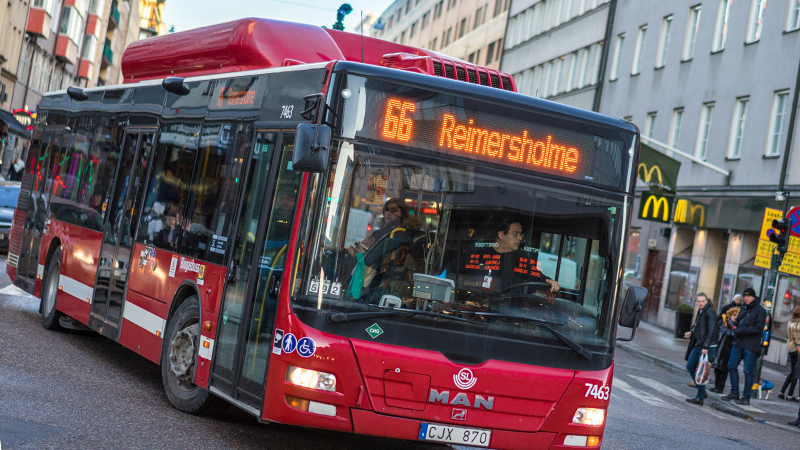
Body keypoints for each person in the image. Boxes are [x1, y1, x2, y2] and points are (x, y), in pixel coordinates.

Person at [447, 218, 559, 297]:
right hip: (475, 310)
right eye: (515, 233)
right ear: (501, 235)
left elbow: (537, 277)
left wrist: (551, 283)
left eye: (521, 234)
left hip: (509, 314)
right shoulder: (475, 253)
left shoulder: (520, 259)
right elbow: (449, 272)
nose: (520, 238)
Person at [721, 287, 767, 405]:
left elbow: (758, 328)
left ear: (753, 297)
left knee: (747, 371)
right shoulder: (744, 308)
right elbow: (738, 322)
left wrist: (742, 330)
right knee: (731, 365)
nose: (745, 298)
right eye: (744, 296)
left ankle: (746, 397)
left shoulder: (760, 311)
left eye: (748, 296)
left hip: (750, 345)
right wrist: (733, 325)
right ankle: (734, 392)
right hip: (739, 342)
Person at [684, 293, 718, 405]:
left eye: (703, 301)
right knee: (690, 365)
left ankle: (700, 397)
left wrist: (706, 346)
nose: (701, 303)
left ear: (707, 300)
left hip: (707, 346)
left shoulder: (710, 313)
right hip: (699, 344)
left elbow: (711, 330)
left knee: (702, 370)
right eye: (699, 301)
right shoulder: (701, 312)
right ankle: (702, 392)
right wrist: (691, 332)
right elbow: (698, 326)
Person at [710, 306, 740, 394]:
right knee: (717, 367)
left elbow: (734, 335)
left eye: (737, 315)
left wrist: (733, 327)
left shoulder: (736, 326)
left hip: (728, 349)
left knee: (723, 369)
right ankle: (716, 386)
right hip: (719, 347)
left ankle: (720, 387)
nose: (735, 317)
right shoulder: (723, 323)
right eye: (734, 315)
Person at [778, 307, 800, 401]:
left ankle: (782, 392)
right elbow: (797, 339)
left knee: (792, 372)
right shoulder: (798, 324)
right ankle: (790, 395)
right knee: (796, 372)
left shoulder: (791, 322)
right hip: (796, 349)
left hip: (790, 348)